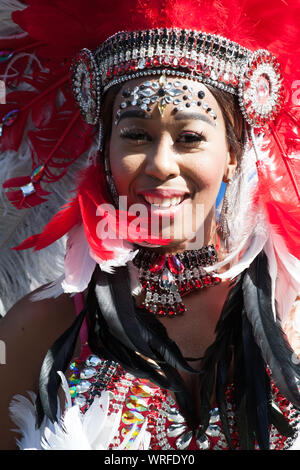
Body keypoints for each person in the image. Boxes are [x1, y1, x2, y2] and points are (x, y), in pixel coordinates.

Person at [0, 0, 300, 451]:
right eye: (136, 135)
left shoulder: (293, 319)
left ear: (233, 155)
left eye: (190, 138)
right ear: (105, 152)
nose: (161, 164)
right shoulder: (35, 329)